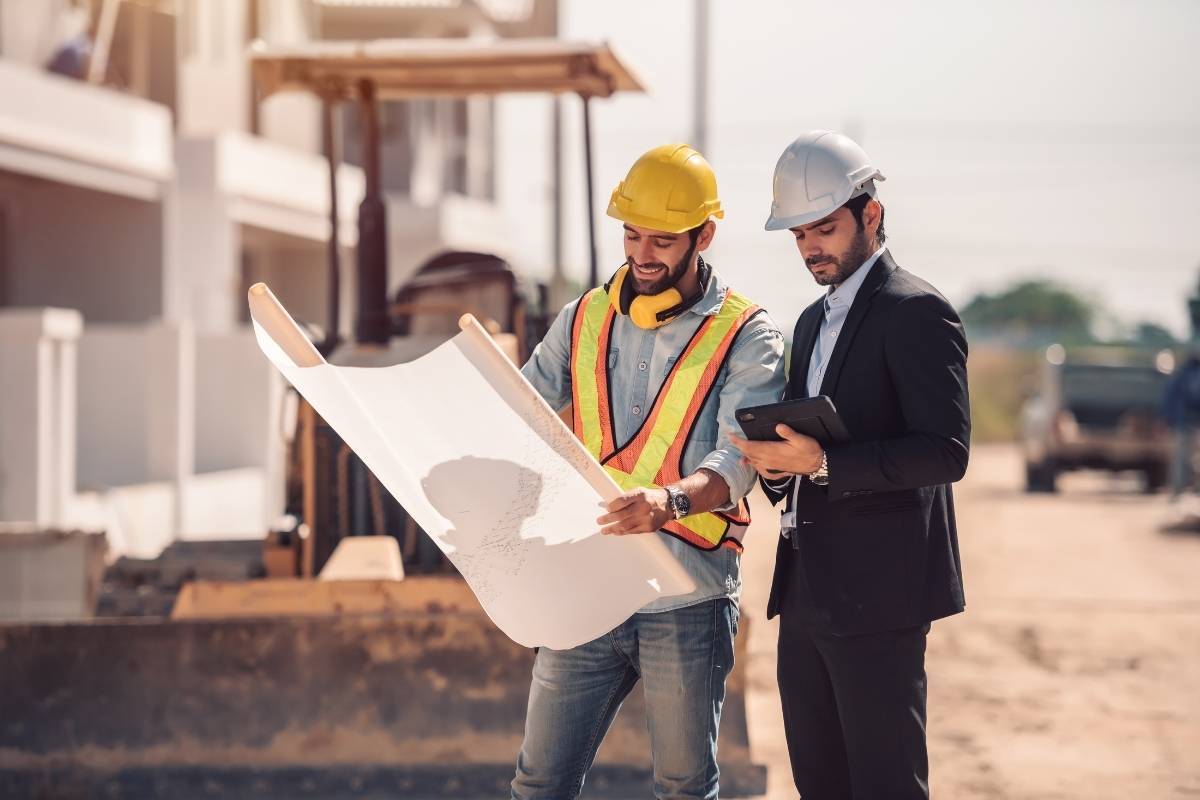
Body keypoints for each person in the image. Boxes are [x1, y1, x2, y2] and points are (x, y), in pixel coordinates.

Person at [511, 143, 786, 800]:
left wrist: (669, 501)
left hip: (686, 597)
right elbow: (519, 411)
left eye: (663, 239)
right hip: (588, 585)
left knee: (684, 788)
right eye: (632, 234)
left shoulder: (747, 335)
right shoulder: (583, 318)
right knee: (538, 784)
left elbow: (738, 460)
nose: (642, 253)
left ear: (704, 235)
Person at [730, 130, 970, 799]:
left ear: (872, 215)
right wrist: (780, 468)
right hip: (806, 595)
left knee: (886, 786)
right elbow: (807, 452)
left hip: (882, 600)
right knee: (821, 786)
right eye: (799, 234)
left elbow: (947, 450)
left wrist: (827, 462)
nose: (811, 247)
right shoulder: (808, 322)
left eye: (824, 228)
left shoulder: (917, 312)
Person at [1162, 350, 1200, 499]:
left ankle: (1180, 492)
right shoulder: (1186, 375)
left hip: (1186, 422)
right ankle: (1178, 491)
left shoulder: (1183, 375)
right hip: (1187, 422)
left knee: (1184, 458)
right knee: (1182, 459)